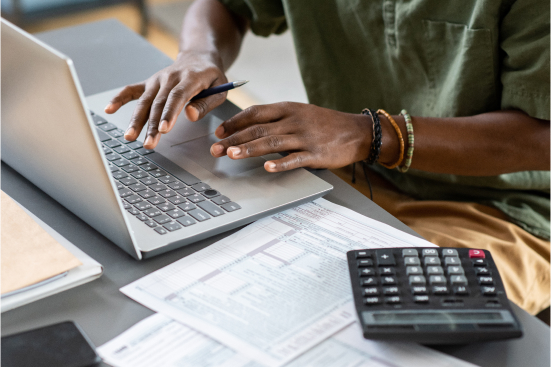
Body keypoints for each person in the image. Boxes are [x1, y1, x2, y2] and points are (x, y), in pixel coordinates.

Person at [105, 0, 550, 315]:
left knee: (364, 324)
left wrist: (369, 134)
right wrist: (199, 52)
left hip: (504, 211)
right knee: (204, 275)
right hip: (347, 173)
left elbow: (543, 139)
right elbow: (229, 4)